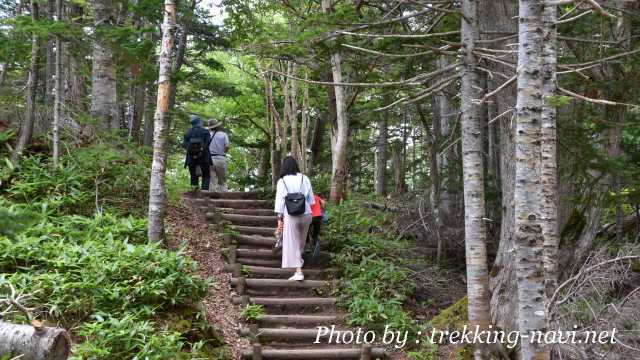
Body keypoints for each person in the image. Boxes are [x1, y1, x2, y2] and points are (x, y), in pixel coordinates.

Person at [274, 156, 314, 281]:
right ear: (296, 165)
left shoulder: (282, 181)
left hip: (291, 215)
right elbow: (311, 199)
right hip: (306, 213)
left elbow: (280, 200)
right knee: (301, 241)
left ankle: (298, 272)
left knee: (294, 243)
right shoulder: (304, 178)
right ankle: (299, 260)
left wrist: (279, 218)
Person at [182, 115, 211, 191]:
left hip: (191, 159)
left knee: (193, 177)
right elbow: (208, 143)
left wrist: (193, 153)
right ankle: (204, 195)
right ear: (199, 122)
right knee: (206, 176)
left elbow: (184, 145)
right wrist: (201, 150)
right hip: (204, 158)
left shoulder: (187, 133)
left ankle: (194, 195)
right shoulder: (205, 131)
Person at [207, 119, 230, 192]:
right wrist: (223, 151)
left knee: (211, 181)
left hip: (210, 159)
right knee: (222, 181)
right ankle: (224, 198)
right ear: (217, 126)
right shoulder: (223, 134)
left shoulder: (207, 135)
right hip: (221, 158)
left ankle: (212, 199)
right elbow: (227, 146)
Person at [308, 192, 326, 258]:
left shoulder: (307, 198)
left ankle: (307, 246)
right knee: (315, 233)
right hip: (318, 216)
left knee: (306, 231)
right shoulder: (317, 197)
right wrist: (322, 209)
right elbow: (323, 203)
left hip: (310, 217)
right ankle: (315, 244)